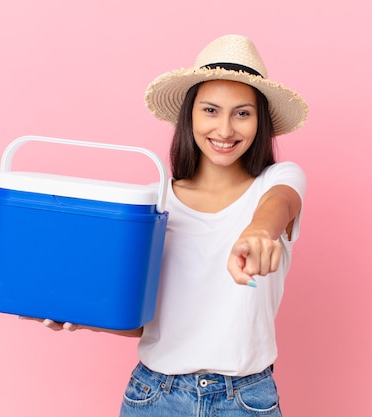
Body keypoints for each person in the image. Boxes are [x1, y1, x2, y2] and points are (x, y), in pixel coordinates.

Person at [29, 34, 308, 416]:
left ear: (259, 122)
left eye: (242, 113)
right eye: (211, 110)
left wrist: (259, 231)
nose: (225, 130)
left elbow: (279, 205)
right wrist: (82, 314)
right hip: (155, 395)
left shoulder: (277, 182)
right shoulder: (154, 201)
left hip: (246, 399)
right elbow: (147, 323)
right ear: (190, 115)